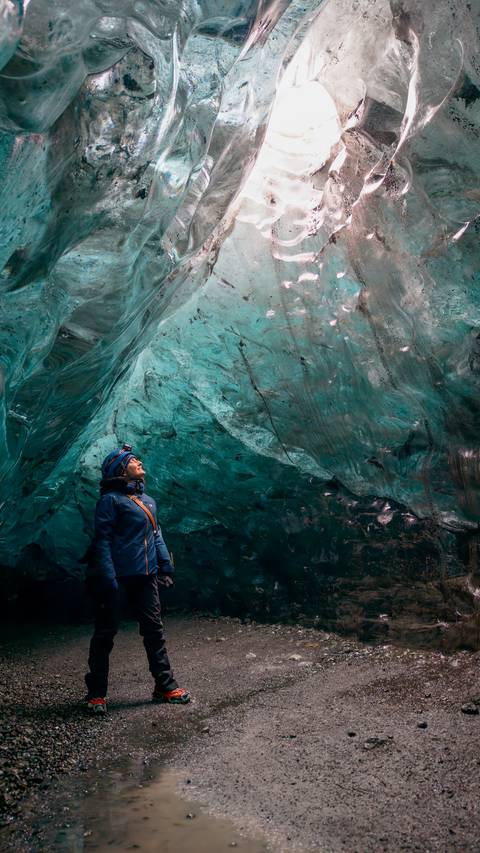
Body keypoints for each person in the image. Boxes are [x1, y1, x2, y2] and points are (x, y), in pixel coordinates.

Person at [84, 443, 190, 714]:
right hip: (117, 578)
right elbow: (103, 540)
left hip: (146, 576)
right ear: (121, 469)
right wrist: (108, 577)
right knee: (105, 634)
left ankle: (164, 686)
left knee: (154, 630)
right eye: (133, 460)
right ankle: (96, 694)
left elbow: (156, 535)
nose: (139, 461)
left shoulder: (148, 501)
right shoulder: (110, 501)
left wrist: (165, 567)